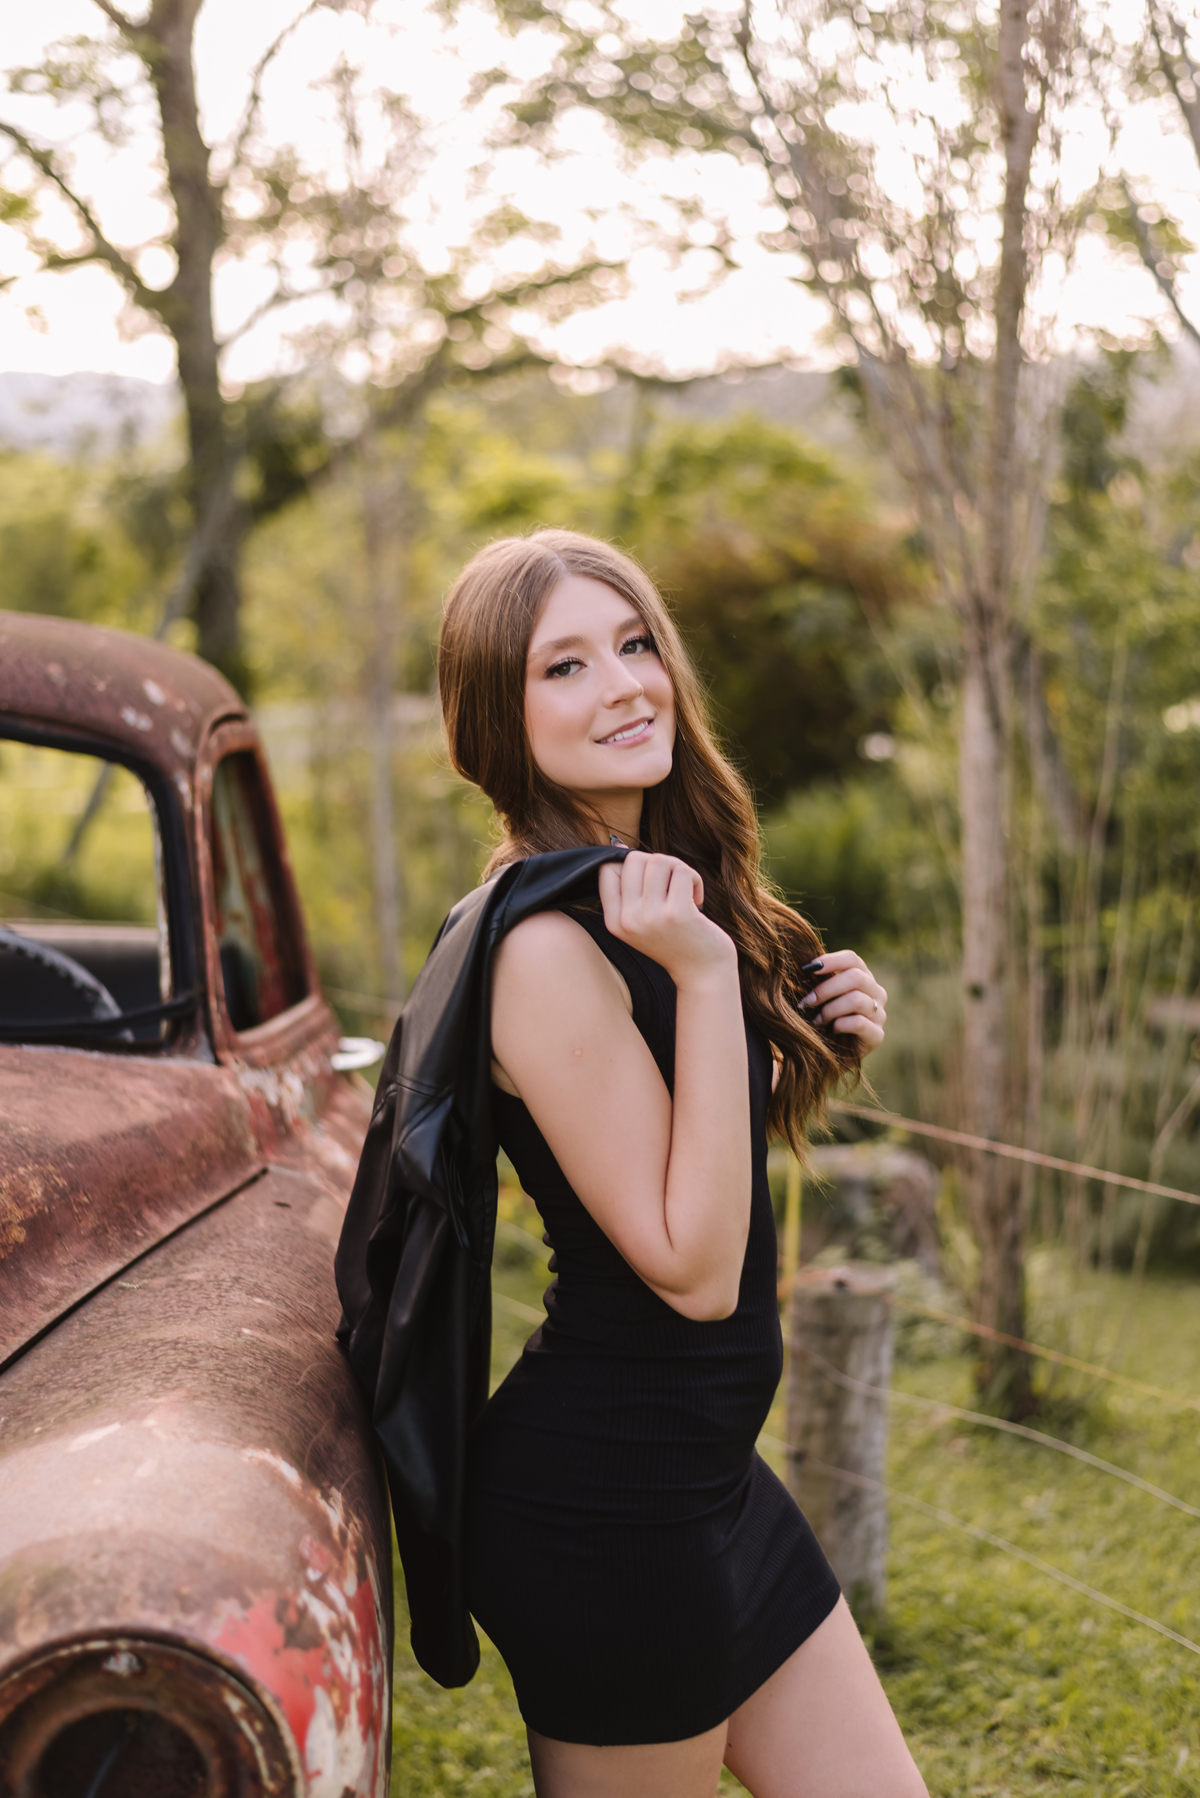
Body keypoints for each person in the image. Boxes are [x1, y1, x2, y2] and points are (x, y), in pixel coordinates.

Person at [436, 528, 927, 1798]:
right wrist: (709, 974)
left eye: (637, 643)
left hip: (709, 1481)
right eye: (566, 666)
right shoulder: (546, 945)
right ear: (499, 714)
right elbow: (694, 1271)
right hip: (609, 1516)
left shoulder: (638, 895)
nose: (624, 685)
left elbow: (663, 1163)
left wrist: (790, 1055)